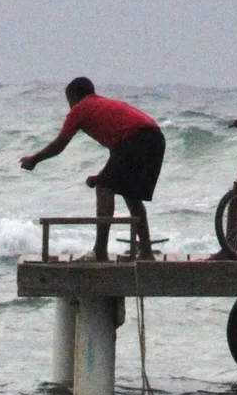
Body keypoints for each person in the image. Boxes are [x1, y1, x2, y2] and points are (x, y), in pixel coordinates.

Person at [20, 80, 165, 260]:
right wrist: (102, 176)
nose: (70, 107)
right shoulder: (102, 104)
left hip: (137, 139)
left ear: (73, 98)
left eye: (69, 102)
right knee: (131, 196)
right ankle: (146, 252)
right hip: (155, 138)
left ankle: (100, 252)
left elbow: (60, 144)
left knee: (105, 188)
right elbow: (118, 157)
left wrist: (34, 160)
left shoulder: (80, 108)